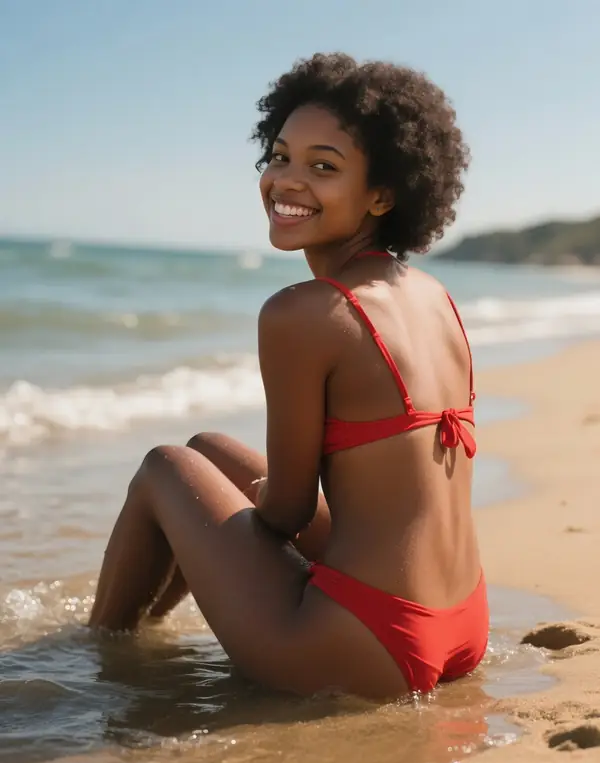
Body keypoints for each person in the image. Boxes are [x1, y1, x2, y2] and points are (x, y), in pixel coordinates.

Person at [89, 53, 488, 699]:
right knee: (208, 453)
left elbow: (289, 510)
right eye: (279, 158)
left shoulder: (305, 313)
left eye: (323, 167)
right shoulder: (432, 295)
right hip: (461, 623)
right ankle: (144, 628)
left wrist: (245, 524)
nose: (287, 182)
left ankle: (99, 655)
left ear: (383, 194)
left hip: (370, 647)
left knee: (166, 466)